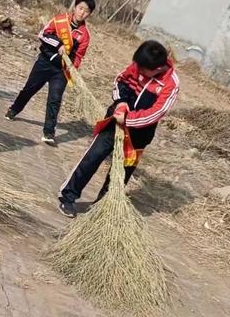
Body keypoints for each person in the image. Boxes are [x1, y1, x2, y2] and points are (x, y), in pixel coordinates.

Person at [58, 40, 180, 218]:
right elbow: (120, 81)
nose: (139, 71)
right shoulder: (139, 64)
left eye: (143, 70)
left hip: (138, 134)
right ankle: (68, 196)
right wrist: (121, 102)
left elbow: (156, 113)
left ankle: (101, 208)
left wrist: (128, 120)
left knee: (120, 173)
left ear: (158, 68)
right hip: (114, 121)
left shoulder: (171, 83)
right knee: (92, 157)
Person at [5, 0, 95, 146]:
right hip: (44, 63)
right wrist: (58, 44)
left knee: (55, 99)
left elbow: (79, 56)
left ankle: (49, 133)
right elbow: (43, 34)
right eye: (80, 8)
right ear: (75, 7)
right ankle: (14, 109)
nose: (82, 13)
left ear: (89, 14)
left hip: (61, 71)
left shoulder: (84, 35)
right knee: (29, 89)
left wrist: (72, 67)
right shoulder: (60, 20)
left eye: (86, 11)